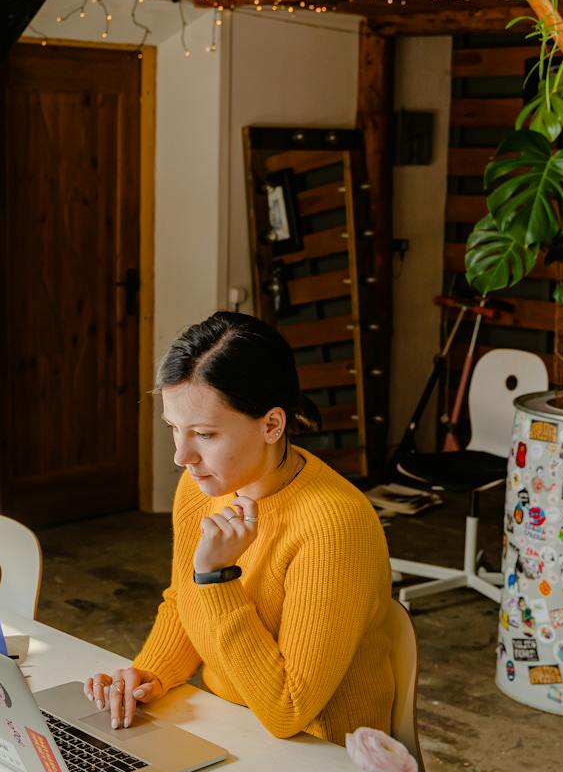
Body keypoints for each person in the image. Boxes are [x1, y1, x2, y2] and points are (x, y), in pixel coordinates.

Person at [83, 312, 395, 743]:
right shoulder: (202, 488)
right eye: (174, 428)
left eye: (205, 434)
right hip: (233, 729)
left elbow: (288, 711)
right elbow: (184, 603)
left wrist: (217, 577)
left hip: (324, 759)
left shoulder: (334, 527)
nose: (181, 456)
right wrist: (147, 674)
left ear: (272, 424)